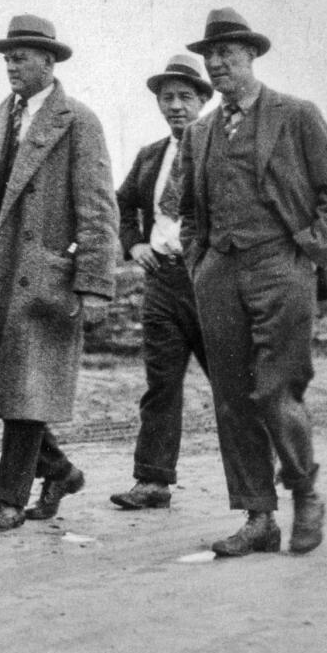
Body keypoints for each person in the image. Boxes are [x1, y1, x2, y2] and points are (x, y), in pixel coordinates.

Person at [179, 8, 327, 556]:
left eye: (228, 53)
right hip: (219, 273)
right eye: (209, 56)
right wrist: (199, 261)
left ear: (252, 55)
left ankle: (305, 493)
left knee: (276, 389)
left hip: (281, 266)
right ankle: (258, 517)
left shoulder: (296, 115)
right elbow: (189, 212)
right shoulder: (200, 131)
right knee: (231, 397)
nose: (216, 63)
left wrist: (307, 250)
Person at [0, 14, 118, 533]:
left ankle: (9, 501)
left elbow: (99, 208)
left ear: (48, 63)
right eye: (7, 54)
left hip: (43, 278)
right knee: (10, 391)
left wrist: (94, 284)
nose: (11, 62)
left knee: (24, 391)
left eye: (22, 54)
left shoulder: (77, 120)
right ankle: (61, 472)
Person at [110, 54, 212, 511]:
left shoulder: (219, 150)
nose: (175, 106)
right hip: (162, 283)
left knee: (232, 383)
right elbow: (121, 201)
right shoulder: (151, 156)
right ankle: (152, 482)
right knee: (161, 384)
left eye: (185, 97)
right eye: (166, 98)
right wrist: (133, 245)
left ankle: (261, 476)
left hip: (209, 282)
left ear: (204, 101)